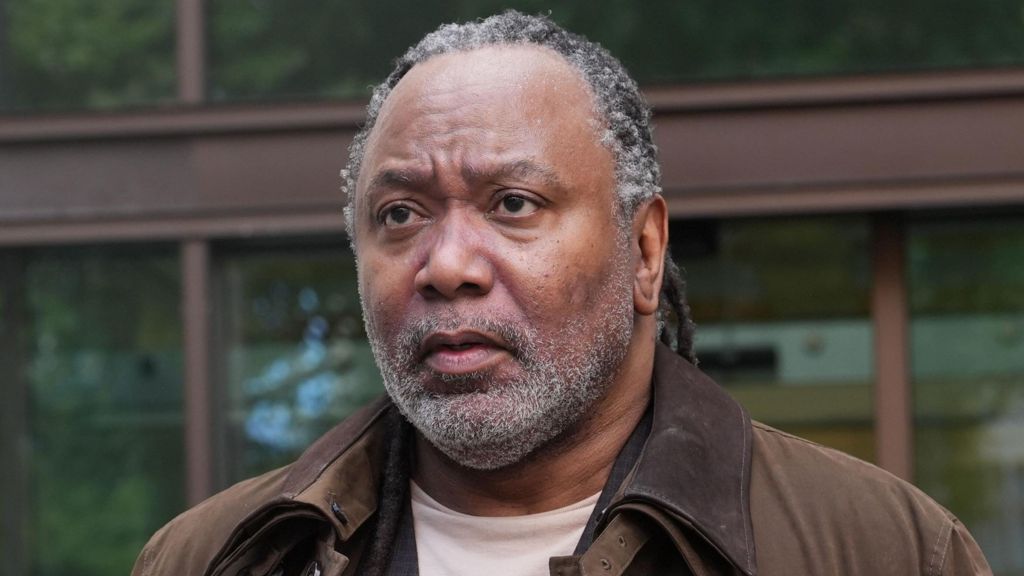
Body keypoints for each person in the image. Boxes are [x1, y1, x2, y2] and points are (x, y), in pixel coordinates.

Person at [132, 11, 991, 576]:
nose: (446, 265)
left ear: (644, 250)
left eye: (513, 204)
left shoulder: (885, 551)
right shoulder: (214, 558)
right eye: (399, 214)